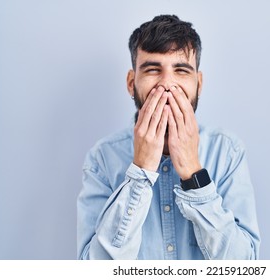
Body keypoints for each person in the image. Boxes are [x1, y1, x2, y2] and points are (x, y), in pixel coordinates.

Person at [77, 14, 260, 260]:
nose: (166, 84)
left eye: (181, 70)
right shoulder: (102, 159)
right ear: (132, 83)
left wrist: (194, 175)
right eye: (153, 69)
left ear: (199, 83)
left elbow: (245, 266)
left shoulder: (227, 152)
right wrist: (140, 172)